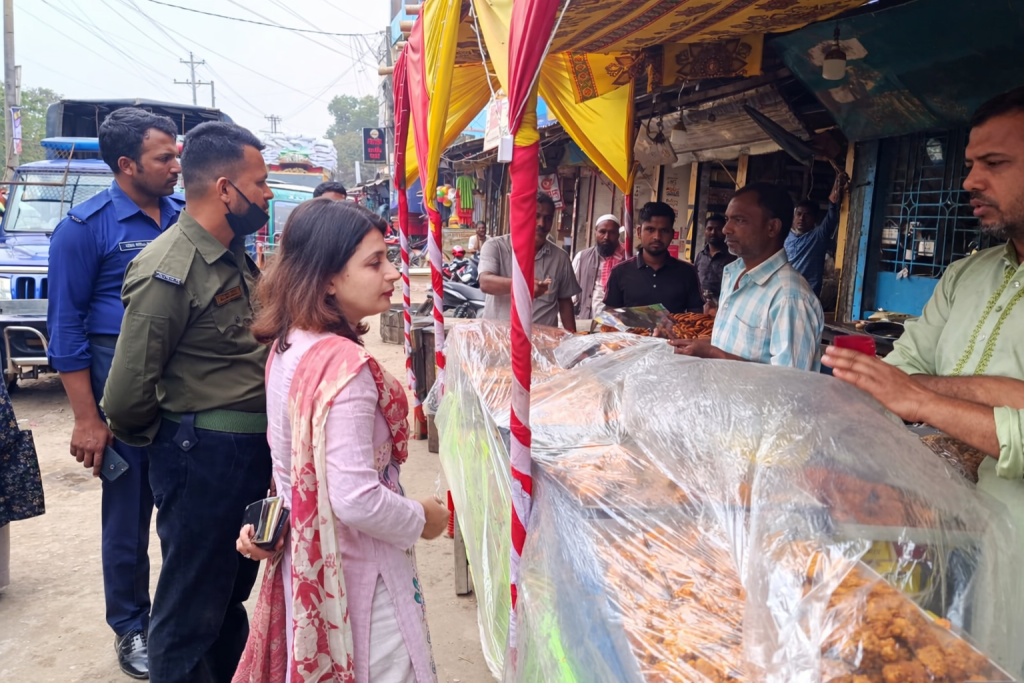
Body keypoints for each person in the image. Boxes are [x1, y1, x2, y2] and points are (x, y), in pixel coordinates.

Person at [822, 90, 1024, 658]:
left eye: (995, 164)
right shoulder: (968, 274)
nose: (969, 183)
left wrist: (925, 402)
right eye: (969, 166)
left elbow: (909, 390)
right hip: (948, 542)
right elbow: (902, 374)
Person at [232, 199, 449, 682]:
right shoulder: (343, 367)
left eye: (389, 257)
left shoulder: (290, 345)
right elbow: (354, 498)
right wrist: (424, 518)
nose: (394, 272)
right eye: (375, 262)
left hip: (310, 562)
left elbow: (293, 466)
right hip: (355, 578)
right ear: (327, 278)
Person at [101, 121, 274, 683]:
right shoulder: (169, 268)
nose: (268, 195)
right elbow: (125, 400)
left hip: (240, 454)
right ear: (226, 189)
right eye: (261, 183)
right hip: (204, 457)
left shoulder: (230, 255)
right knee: (187, 614)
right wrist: (181, 442)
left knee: (225, 601)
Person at [47, 107, 184, 679]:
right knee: (127, 514)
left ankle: (178, 620)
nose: (177, 166)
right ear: (127, 165)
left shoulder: (185, 216)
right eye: (164, 158)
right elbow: (65, 330)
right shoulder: (84, 228)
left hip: (182, 386)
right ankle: (132, 628)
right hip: (114, 387)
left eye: (178, 155)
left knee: (184, 509)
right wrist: (87, 419)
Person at [671, 183, 823, 371]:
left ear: (772, 227)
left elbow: (791, 387)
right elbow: (737, 345)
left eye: (740, 220)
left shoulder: (790, 297)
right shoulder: (733, 273)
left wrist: (715, 354)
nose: (726, 229)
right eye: (728, 219)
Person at [479, 192, 580, 331]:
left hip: (544, 345)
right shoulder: (495, 246)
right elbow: (485, 283)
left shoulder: (561, 258)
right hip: (500, 343)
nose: (542, 224)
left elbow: (565, 302)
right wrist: (525, 286)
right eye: (536, 216)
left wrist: (574, 342)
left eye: (548, 218)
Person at [604, 201, 703, 314]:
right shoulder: (619, 272)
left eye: (664, 231)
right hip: (631, 332)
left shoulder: (688, 272)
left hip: (676, 332)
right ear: (639, 232)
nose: (657, 237)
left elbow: (696, 315)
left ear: (672, 234)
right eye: (650, 230)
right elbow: (611, 313)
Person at [785, 170, 846, 297]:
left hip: (807, 295)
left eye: (807, 215)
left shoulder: (818, 236)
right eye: (799, 214)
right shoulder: (785, 236)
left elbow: (832, 212)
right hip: (785, 292)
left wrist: (837, 183)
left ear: (814, 219)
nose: (801, 218)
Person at [572, 214, 626, 319]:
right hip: (586, 319)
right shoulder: (582, 257)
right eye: (602, 232)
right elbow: (571, 293)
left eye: (612, 233)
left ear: (618, 235)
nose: (606, 237)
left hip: (617, 322)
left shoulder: (628, 258)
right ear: (595, 232)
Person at [692, 213, 737, 306]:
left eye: (718, 229)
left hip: (722, 307)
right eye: (710, 228)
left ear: (725, 231)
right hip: (699, 307)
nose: (713, 232)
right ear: (705, 231)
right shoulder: (700, 255)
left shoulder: (733, 257)